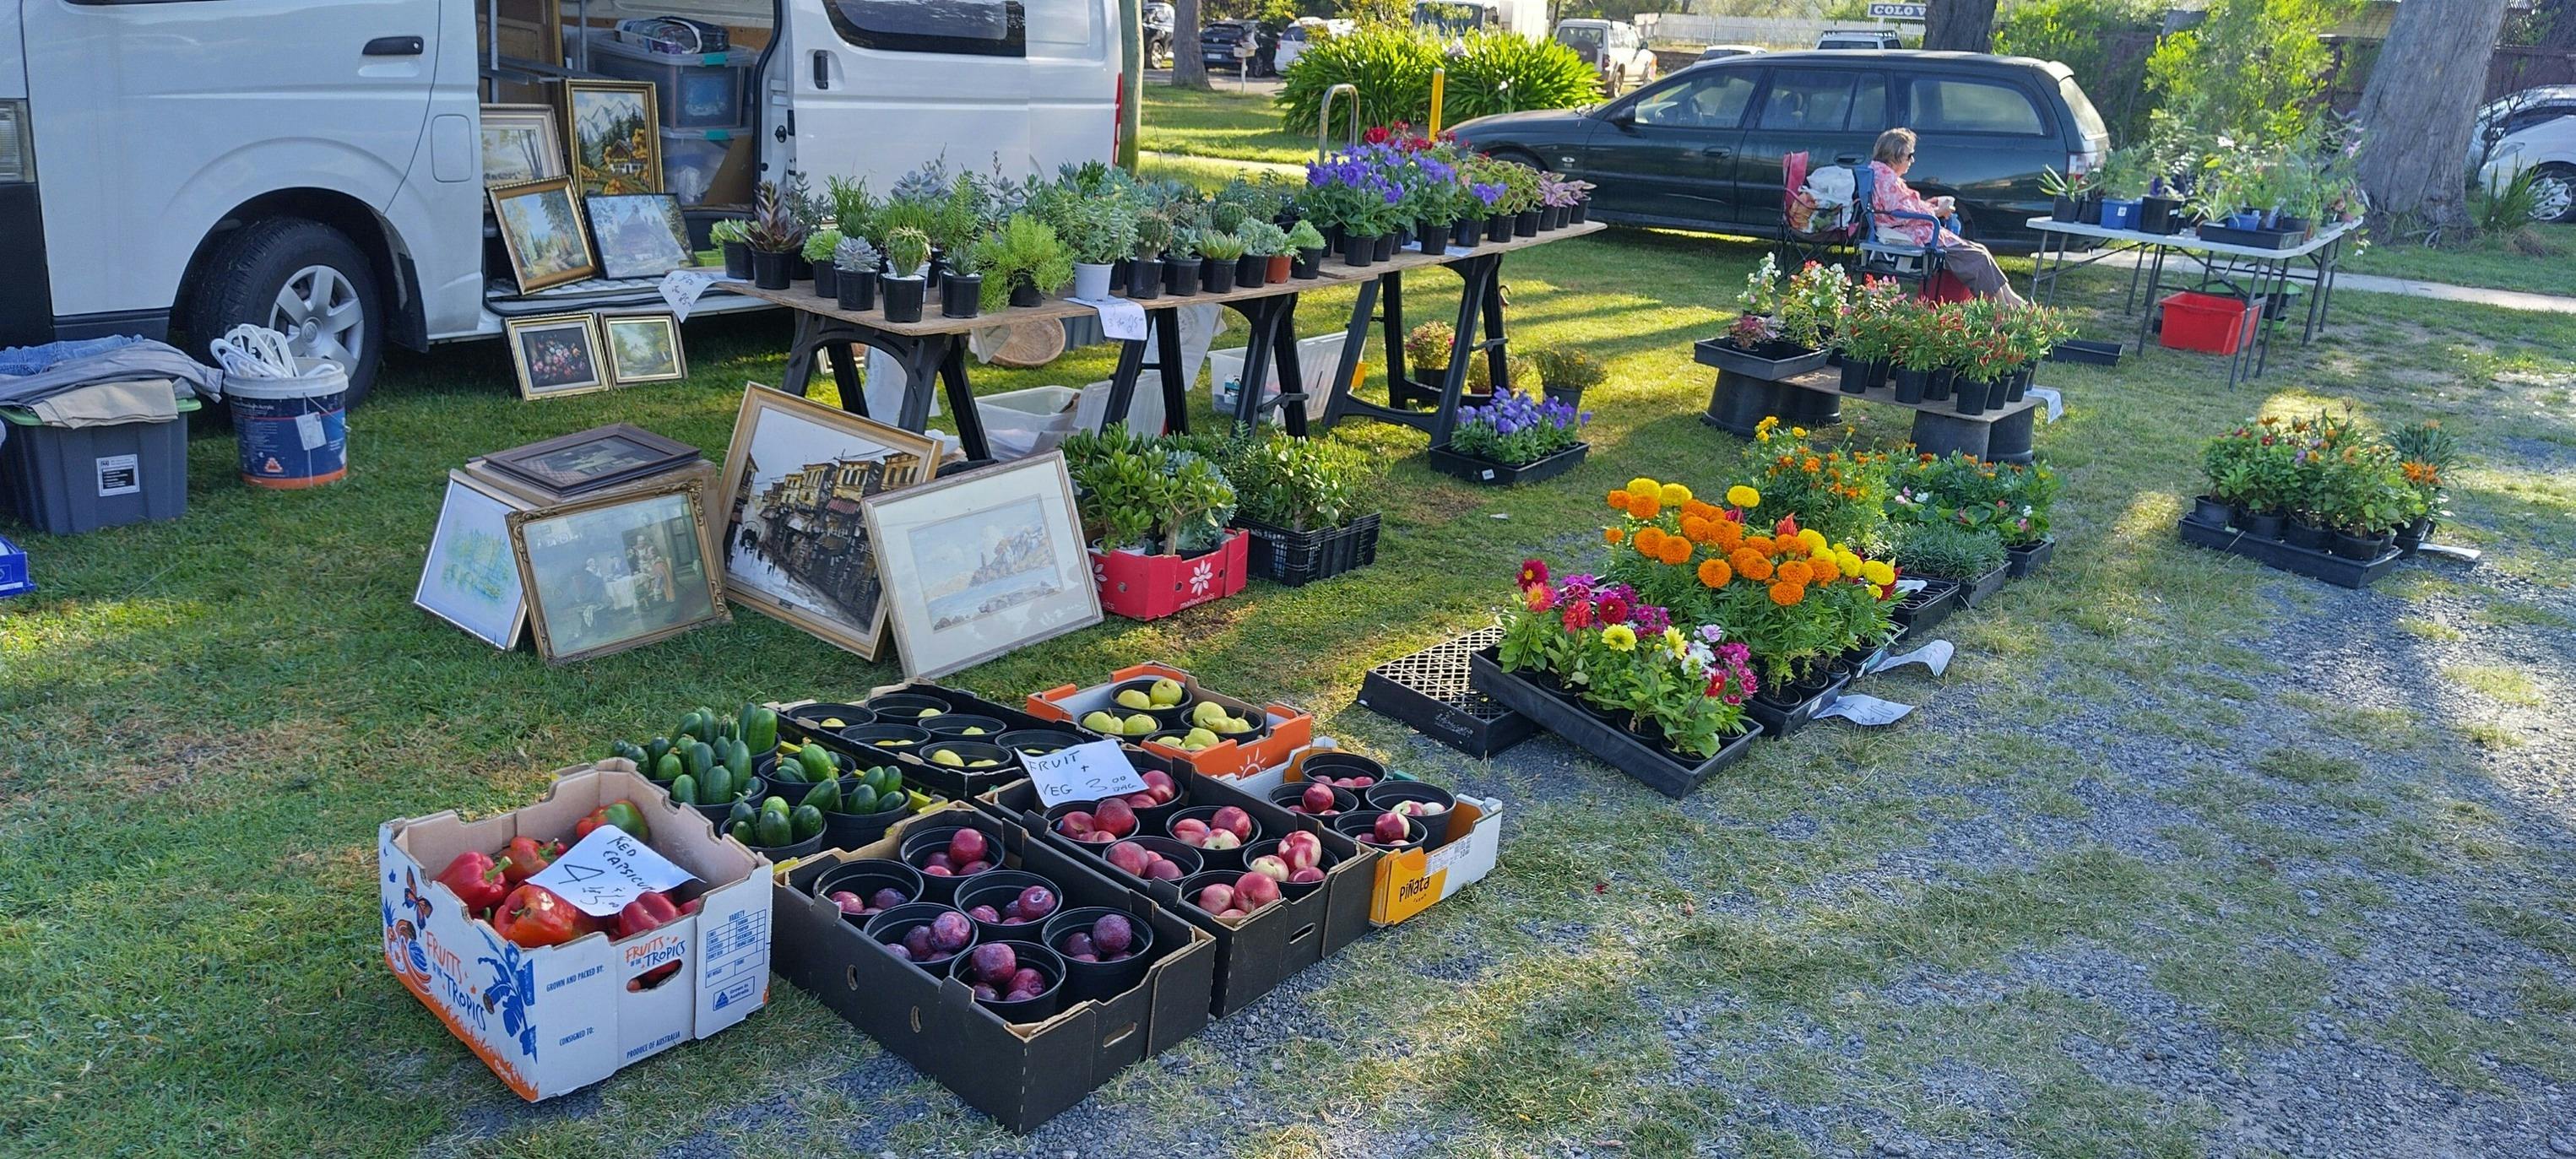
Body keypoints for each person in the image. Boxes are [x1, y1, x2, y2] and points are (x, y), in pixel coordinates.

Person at [1868, 127, 2026, 306]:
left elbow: (1903, 208)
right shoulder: (1887, 181)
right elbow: (1900, 214)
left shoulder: (1883, 176)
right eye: (1909, 155)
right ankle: (2005, 305)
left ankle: (2011, 299)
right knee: (1977, 257)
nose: (1913, 160)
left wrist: (1933, 204)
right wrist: (1937, 212)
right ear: (1894, 156)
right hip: (1916, 235)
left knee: (1980, 251)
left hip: (1917, 230)